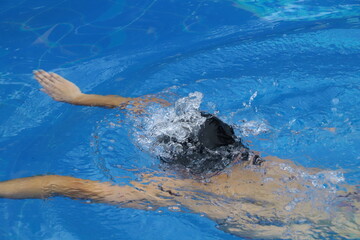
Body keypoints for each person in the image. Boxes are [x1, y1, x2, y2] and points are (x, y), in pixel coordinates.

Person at [0, 70, 359, 239]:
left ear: (174, 163)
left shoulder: (176, 189)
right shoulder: (257, 160)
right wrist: (81, 98)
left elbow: (60, 184)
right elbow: (146, 107)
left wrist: (78, 98)